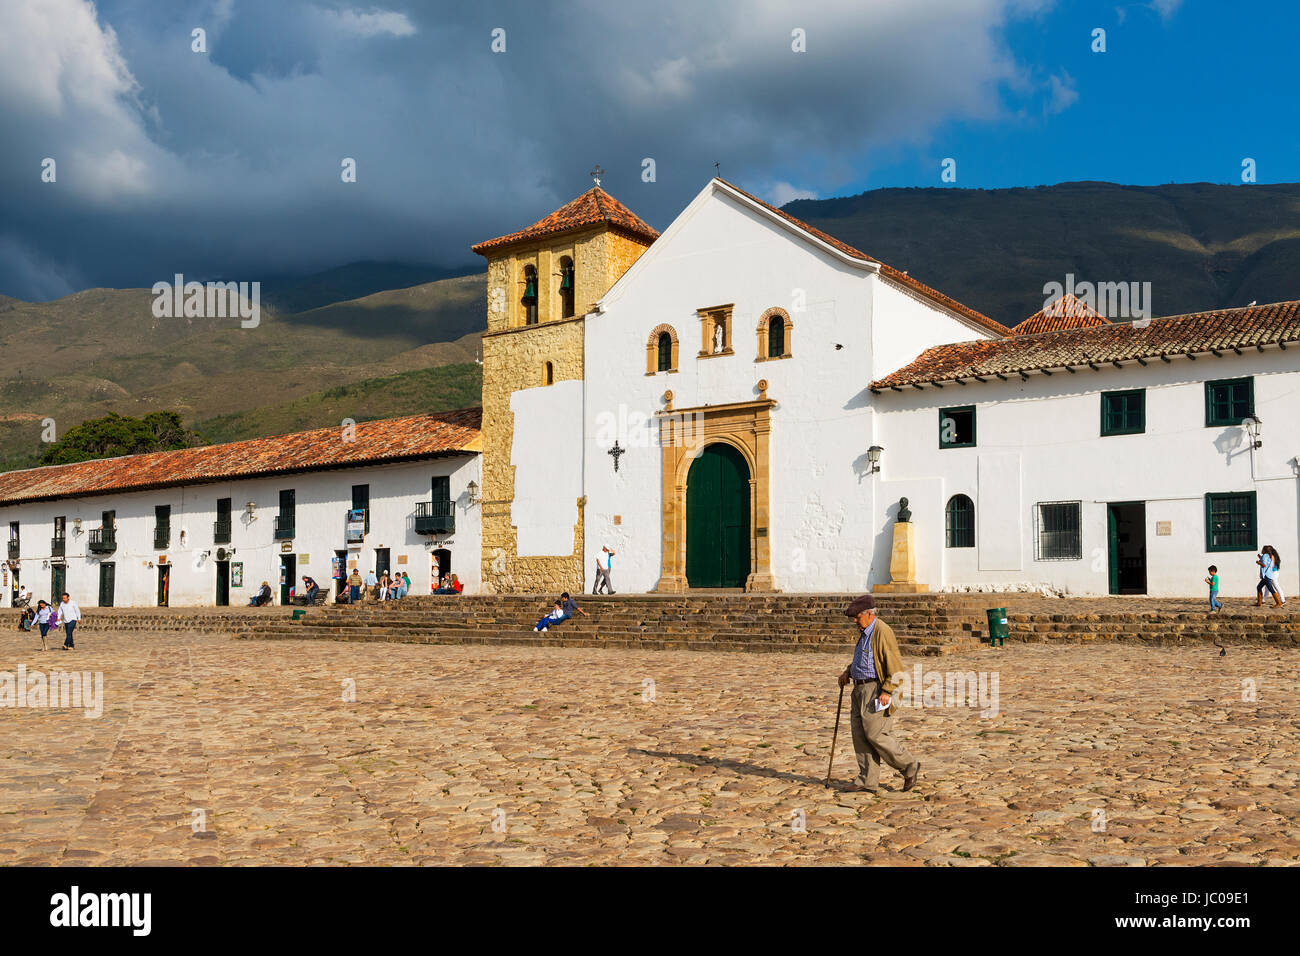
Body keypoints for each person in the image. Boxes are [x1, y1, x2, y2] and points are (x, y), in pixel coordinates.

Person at [836, 594, 921, 794]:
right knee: (860, 735)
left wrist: (887, 691)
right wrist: (848, 671)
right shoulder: (866, 631)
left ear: (868, 614)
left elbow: (895, 665)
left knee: (876, 735)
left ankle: (909, 766)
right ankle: (867, 779)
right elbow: (864, 658)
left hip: (876, 690)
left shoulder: (883, 632)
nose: (855, 622)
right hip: (859, 689)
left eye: (857, 617)